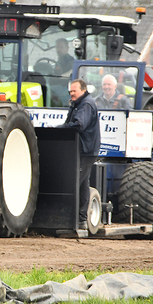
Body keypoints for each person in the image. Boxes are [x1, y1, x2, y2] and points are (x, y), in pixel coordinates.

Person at [58, 79, 100, 231]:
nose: (71, 94)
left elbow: (79, 124)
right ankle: (81, 220)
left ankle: (72, 219)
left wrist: (61, 129)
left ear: (83, 90)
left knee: (75, 182)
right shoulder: (78, 104)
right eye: (70, 91)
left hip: (86, 150)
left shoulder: (86, 104)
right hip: (83, 149)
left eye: (74, 91)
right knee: (82, 184)